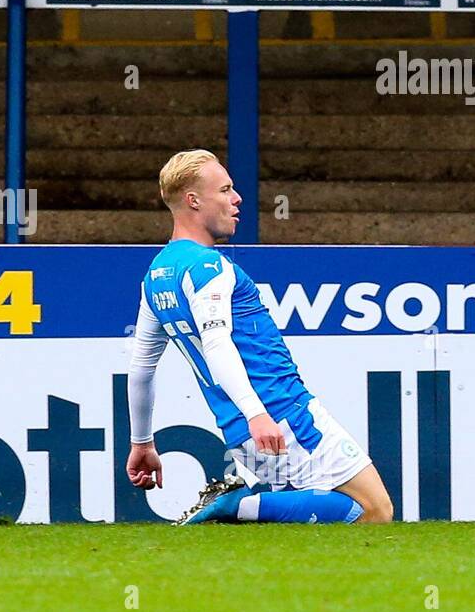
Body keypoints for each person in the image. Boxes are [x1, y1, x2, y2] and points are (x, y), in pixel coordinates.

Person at [124, 149, 394, 524]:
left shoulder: (155, 275)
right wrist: (258, 414)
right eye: (226, 189)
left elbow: (141, 368)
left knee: (312, 529)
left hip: (241, 430)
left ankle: (244, 512)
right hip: (282, 414)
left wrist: (141, 442)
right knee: (374, 511)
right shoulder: (209, 267)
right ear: (193, 201)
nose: (237, 199)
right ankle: (237, 505)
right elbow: (218, 344)